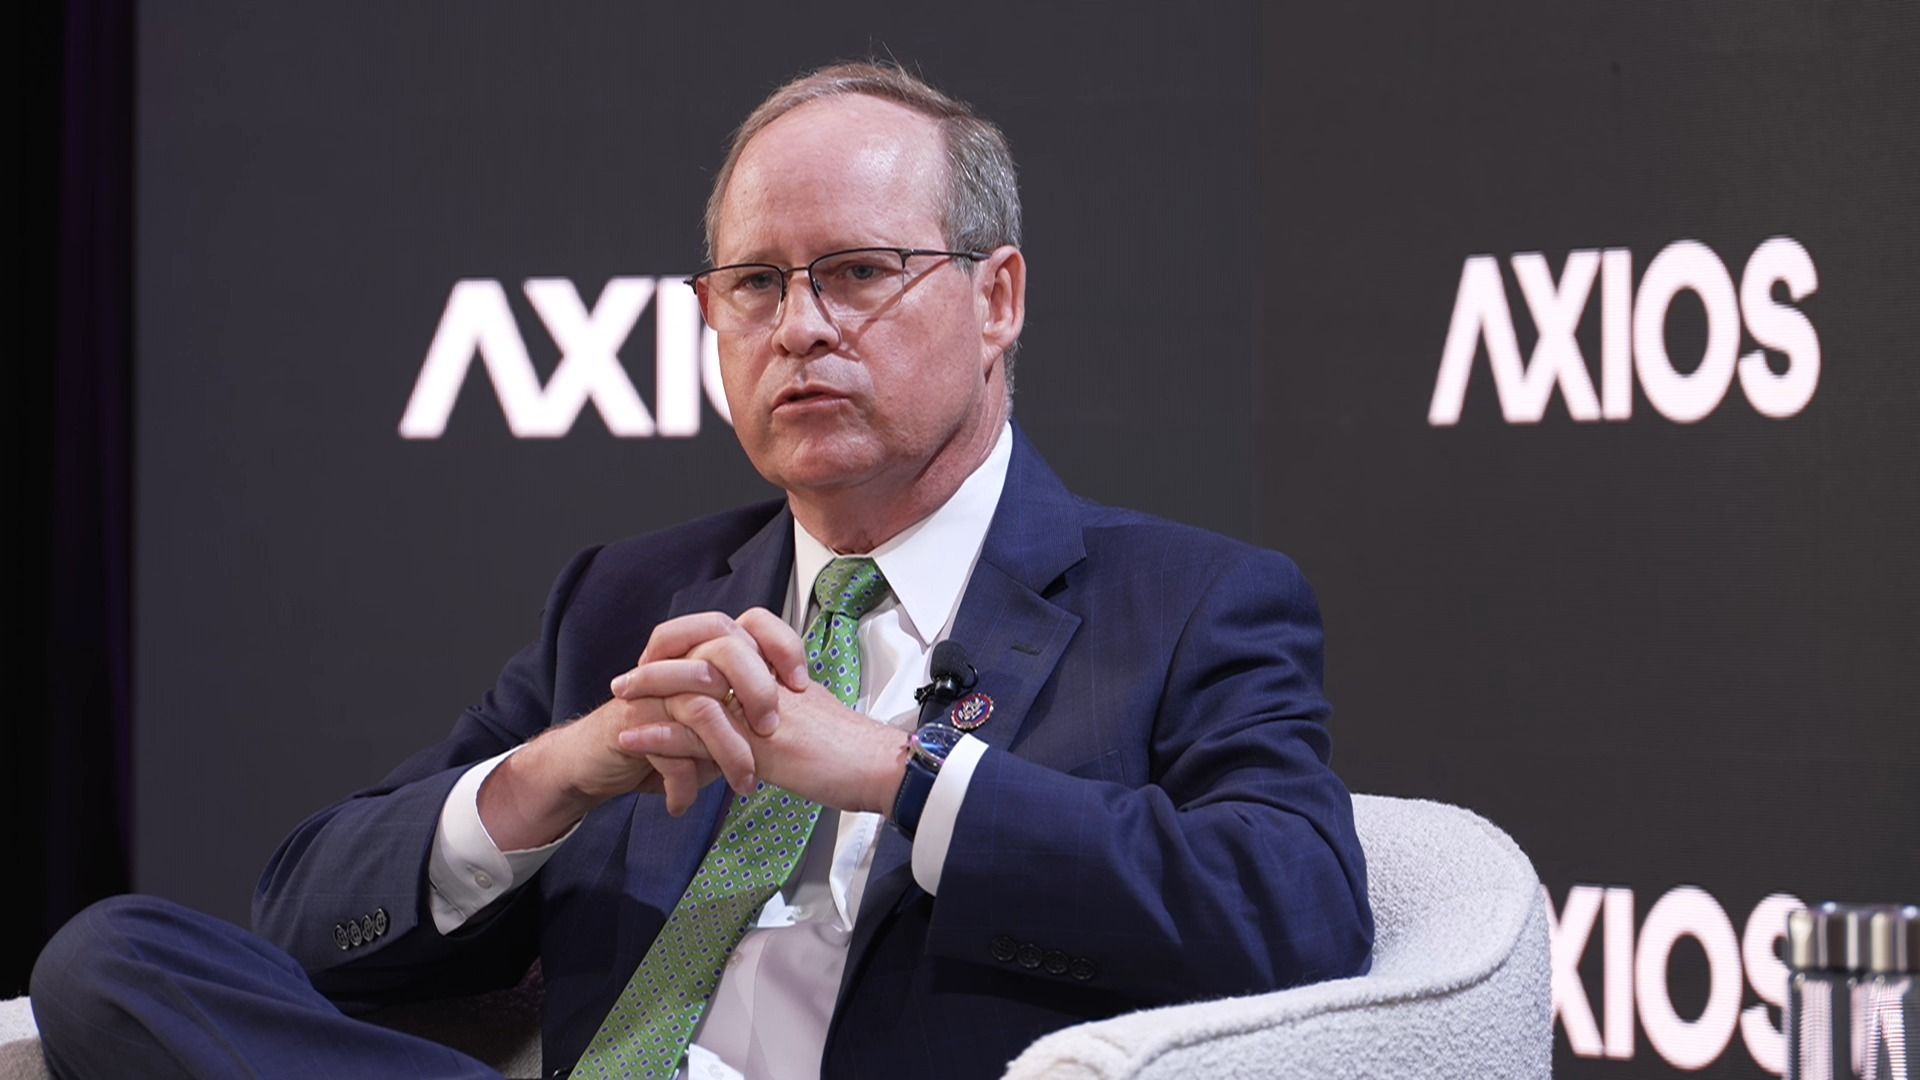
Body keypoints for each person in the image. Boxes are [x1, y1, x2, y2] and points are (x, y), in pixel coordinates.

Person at [32, 62, 1372, 1079]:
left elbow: (1296, 912)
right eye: (755, 285)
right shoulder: (627, 600)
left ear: (996, 298)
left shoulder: (1189, 602)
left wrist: (892, 774)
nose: (800, 329)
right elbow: (305, 919)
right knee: (111, 959)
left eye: (856, 273)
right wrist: (564, 769)